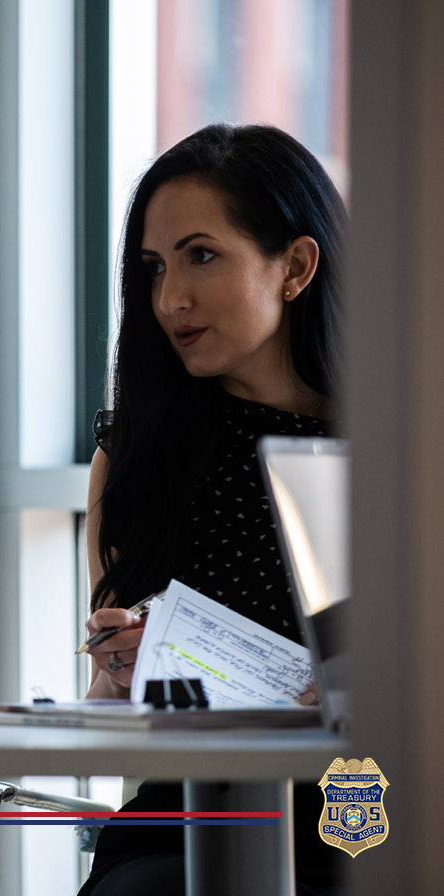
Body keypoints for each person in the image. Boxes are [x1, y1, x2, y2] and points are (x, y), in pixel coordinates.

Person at [78, 124, 347, 895]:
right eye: (154, 268)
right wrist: (120, 669)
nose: (170, 299)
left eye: (201, 256)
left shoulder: (401, 455)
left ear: (294, 266)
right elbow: (111, 715)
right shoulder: (132, 459)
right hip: (189, 818)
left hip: (366, 806)